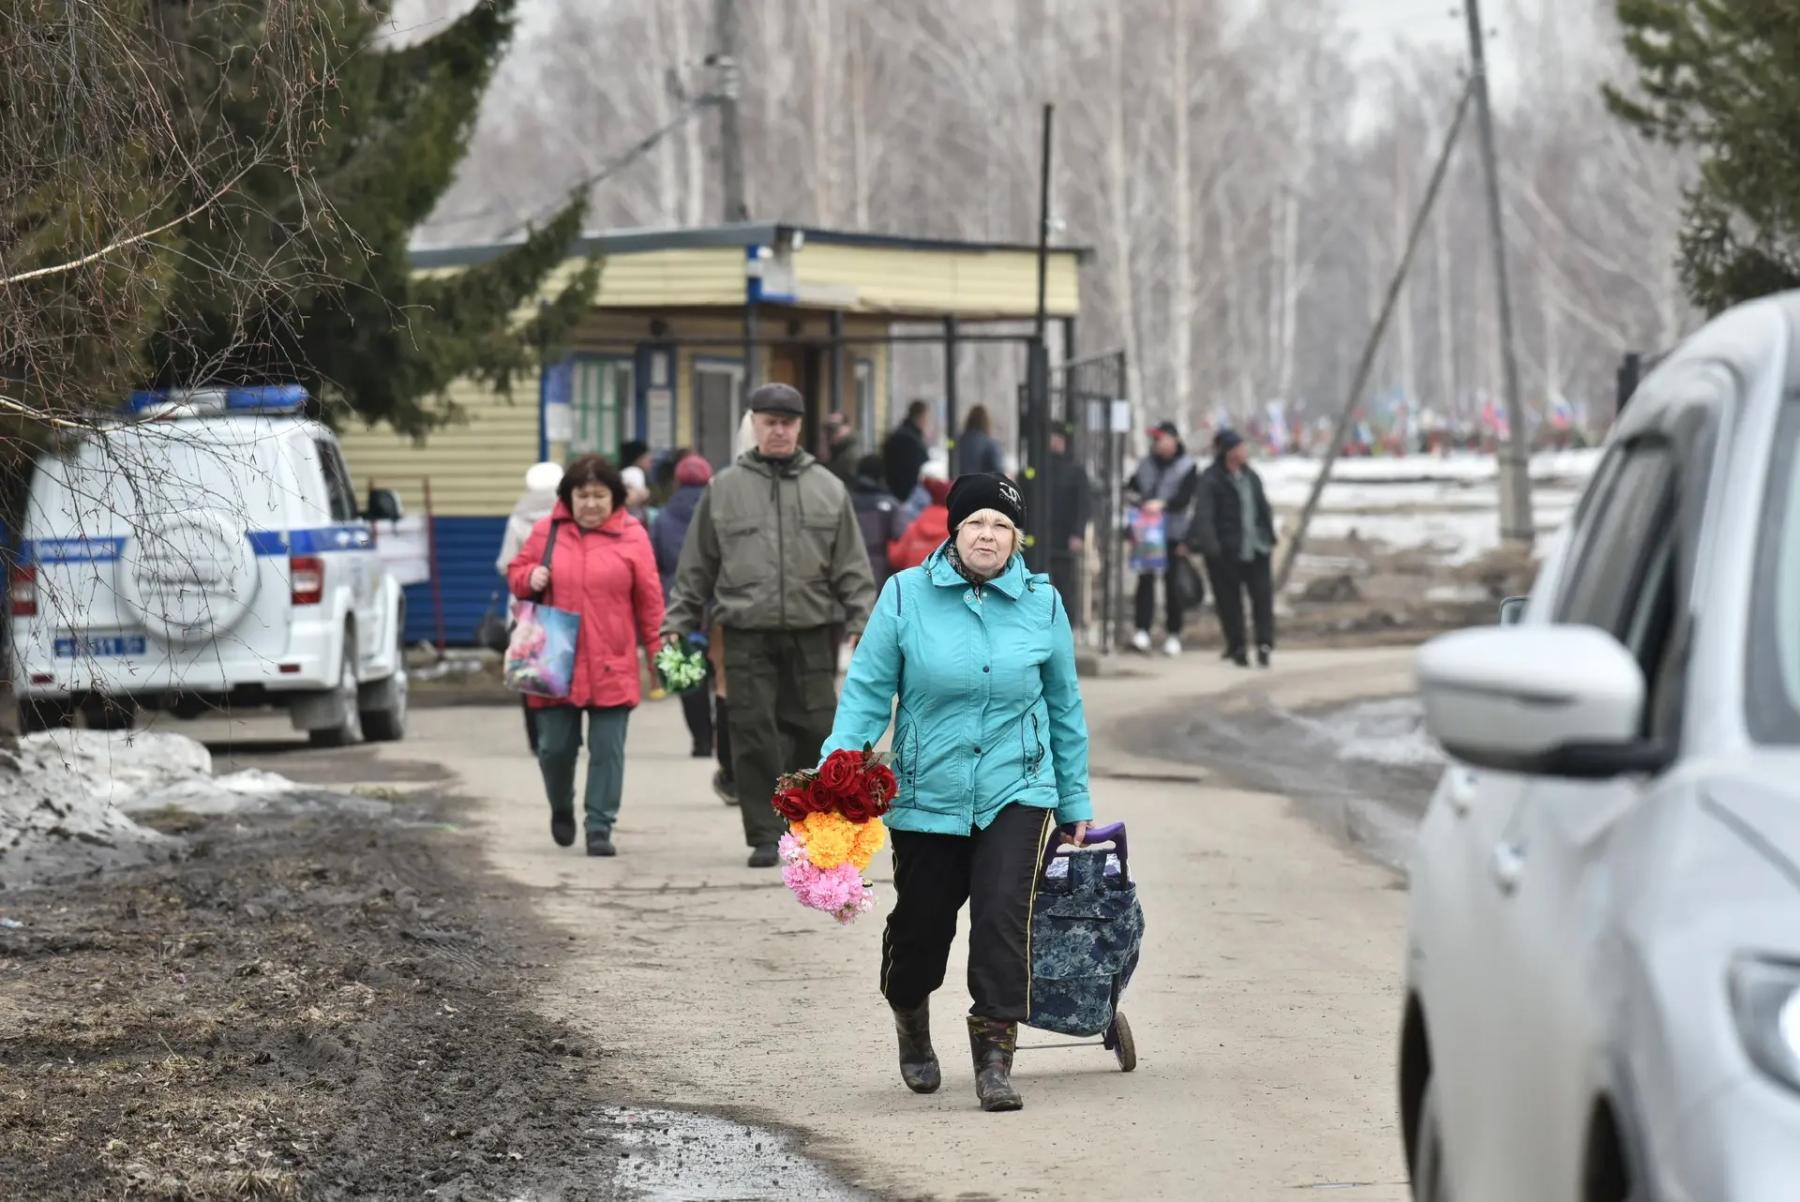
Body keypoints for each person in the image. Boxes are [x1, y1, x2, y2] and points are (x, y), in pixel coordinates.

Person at [822, 472, 1092, 1113]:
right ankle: (911, 1017)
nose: (988, 535)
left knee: (1002, 920)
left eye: (1002, 525)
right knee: (921, 930)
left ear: (1015, 537)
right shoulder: (904, 596)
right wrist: (837, 771)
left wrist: (1074, 799)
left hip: (1017, 787)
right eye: (976, 522)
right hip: (927, 789)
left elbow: (1064, 705)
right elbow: (866, 692)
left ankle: (995, 1059)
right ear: (954, 530)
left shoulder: (1041, 603)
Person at [662, 383, 878, 867]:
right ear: (754, 424)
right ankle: (763, 832)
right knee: (752, 732)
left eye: (787, 422)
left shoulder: (828, 488)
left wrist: (862, 619)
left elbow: (852, 566)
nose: (778, 430)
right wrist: (677, 619)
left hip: (810, 632)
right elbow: (695, 566)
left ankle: (807, 828)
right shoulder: (724, 489)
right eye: (768, 421)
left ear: (799, 427)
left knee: (816, 730)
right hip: (745, 632)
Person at [507, 455, 665, 857]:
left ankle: (599, 825)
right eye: (583, 495)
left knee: (607, 750)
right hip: (553, 661)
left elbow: (650, 604)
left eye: (600, 495)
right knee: (554, 748)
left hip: (612, 661)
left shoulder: (633, 536)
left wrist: (658, 658)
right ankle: (561, 806)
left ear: (615, 498)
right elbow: (516, 572)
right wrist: (529, 577)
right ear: (568, 497)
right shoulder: (547, 531)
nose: (591, 504)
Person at [650, 454, 730, 771]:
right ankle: (720, 739)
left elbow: (655, 561)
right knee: (722, 676)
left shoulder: (663, 517)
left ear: (678, 481)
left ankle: (699, 740)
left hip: (678, 601)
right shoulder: (720, 511)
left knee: (687, 675)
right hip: (717, 603)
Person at [1193, 429, 1278, 668]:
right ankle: (1237, 645)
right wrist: (1211, 547)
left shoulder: (1251, 477)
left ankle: (1264, 643)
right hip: (1226, 551)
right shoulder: (1211, 479)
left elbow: (1262, 507)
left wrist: (1268, 535)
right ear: (1228, 452)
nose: (1244, 452)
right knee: (1229, 602)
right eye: (1240, 448)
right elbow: (1204, 515)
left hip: (1257, 548)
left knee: (1262, 599)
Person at [497, 461, 565, 754]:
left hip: (523, 608)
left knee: (528, 676)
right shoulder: (568, 519)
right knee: (561, 670)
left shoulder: (518, 519)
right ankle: (563, 736)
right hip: (562, 605)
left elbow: (505, 564)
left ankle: (536, 740)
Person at [1125, 420, 1198, 656]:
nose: (1157, 444)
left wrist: (1163, 504)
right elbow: (1132, 487)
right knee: (1145, 581)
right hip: (1147, 529)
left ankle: (1173, 633)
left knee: (1172, 583)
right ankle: (1142, 630)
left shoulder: (1187, 466)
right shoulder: (1146, 465)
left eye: (1161, 439)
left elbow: (1185, 498)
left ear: (1173, 439)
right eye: (1154, 440)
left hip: (1173, 531)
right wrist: (1138, 501)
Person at [1045, 423, 1091, 621]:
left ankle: (1065, 627)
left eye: (1059, 438)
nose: (1055, 443)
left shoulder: (1076, 471)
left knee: (1065, 585)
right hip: (1041, 536)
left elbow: (1084, 506)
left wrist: (1078, 533)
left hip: (1064, 537)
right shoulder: (1038, 469)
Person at [851, 453, 907, 592]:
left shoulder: (847, 502)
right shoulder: (890, 504)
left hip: (852, 567)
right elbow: (900, 535)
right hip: (883, 571)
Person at [888, 476, 951, 572]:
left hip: (914, 584)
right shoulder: (955, 531)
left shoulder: (914, 527)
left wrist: (890, 544)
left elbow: (896, 559)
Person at [883, 399, 933, 501]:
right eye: (926, 418)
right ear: (921, 417)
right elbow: (916, 469)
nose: (927, 422)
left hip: (897, 491)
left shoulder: (903, 434)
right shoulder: (909, 439)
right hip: (906, 495)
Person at [955, 405, 1005, 477]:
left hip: (961, 486)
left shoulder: (959, 441)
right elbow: (999, 473)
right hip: (983, 486)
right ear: (987, 422)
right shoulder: (990, 444)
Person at [823, 412, 860, 486]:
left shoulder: (852, 453)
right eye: (828, 429)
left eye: (834, 428)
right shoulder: (834, 450)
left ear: (847, 429)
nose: (830, 433)